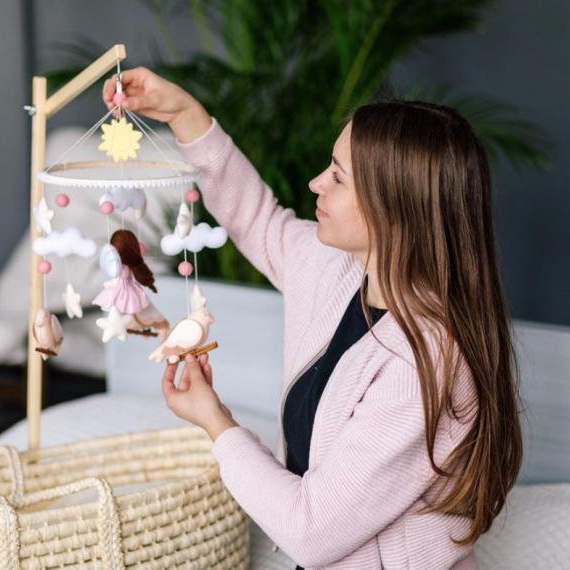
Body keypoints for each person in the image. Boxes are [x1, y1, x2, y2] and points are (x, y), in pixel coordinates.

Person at [103, 67, 523, 569]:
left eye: (338, 177)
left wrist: (216, 421)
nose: (315, 183)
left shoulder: (423, 362)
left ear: (395, 210)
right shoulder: (339, 270)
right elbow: (257, 219)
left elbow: (309, 531)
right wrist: (183, 113)